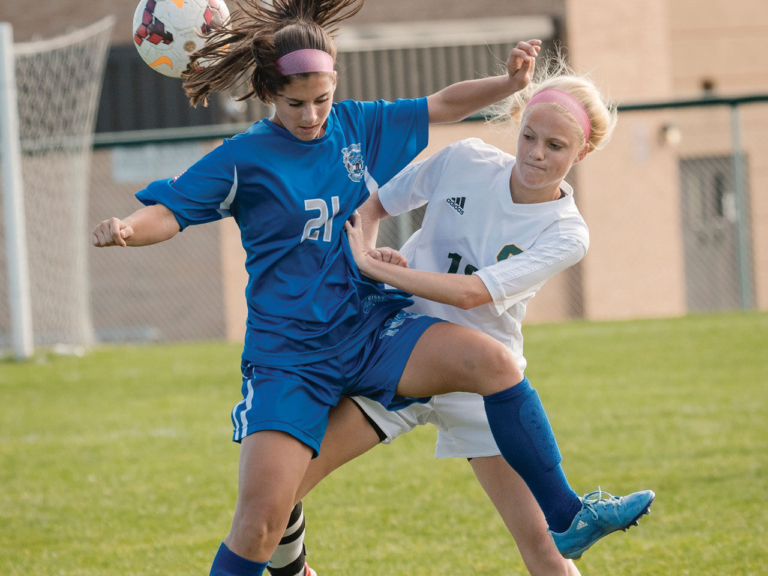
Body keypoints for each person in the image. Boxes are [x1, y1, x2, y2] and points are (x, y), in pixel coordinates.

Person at [90, 2, 651, 575]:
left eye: (322, 99)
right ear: (267, 96)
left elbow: (442, 110)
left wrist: (374, 263)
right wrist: (129, 229)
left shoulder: (358, 126)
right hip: (304, 353)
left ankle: (569, 514)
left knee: (498, 373)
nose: (312, 115)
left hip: (383, 334)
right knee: (264, 515)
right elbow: (173, 211)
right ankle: (292, 567)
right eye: (295, 103)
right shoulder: (244, 158)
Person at [267, 59, 652, 576]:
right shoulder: (466, 159)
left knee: (546, 548)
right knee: (273, 494)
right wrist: (373, 257)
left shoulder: (567, 233)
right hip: (396, 355)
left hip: (482, 387)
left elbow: (473, 294)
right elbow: (374, 206)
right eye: (529, 135)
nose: (535, 153)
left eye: (555, 146)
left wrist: (378, 272)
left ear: (582, 152)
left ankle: (571, 514)